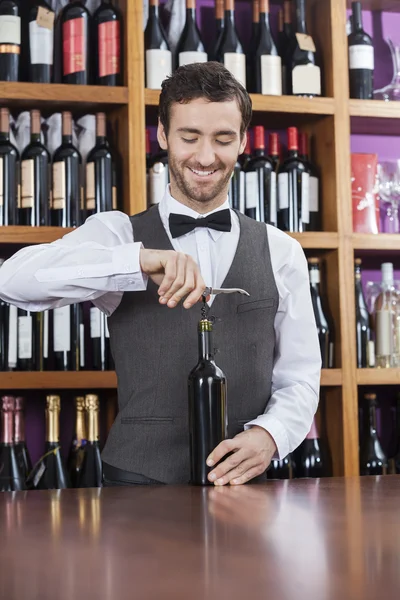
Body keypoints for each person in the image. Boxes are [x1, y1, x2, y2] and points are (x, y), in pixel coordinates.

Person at [0, 62, 320, 487]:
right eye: (189, 137)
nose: (205, 157)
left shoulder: (282, 251)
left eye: (223, 139)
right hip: (136, 484)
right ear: (163, 135)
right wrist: (134, 262)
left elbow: (300, 377)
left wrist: (270, 435)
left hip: (244, 488)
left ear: (243, 141)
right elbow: (13, 280)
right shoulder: (118, 234)